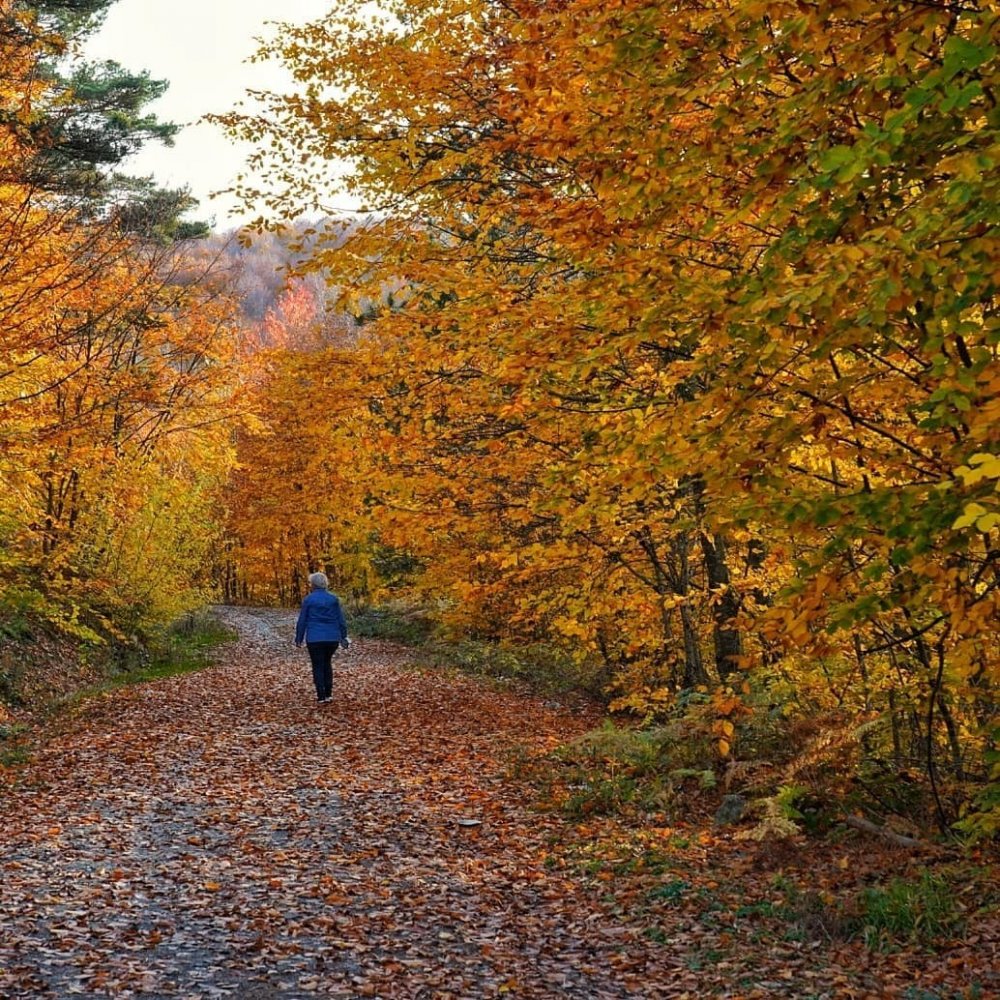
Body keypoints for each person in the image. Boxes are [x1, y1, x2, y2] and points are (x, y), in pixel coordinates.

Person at [295, 572, 350, 704]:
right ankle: (329, 693)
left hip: (314, 638)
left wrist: (299, 638)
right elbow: (340, 619)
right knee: (327, 663)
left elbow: (302, 620)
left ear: (313, 584)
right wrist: (344, 636)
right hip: (332, 638)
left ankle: (321, 695)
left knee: (318, 664)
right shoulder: (333, 599)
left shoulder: (308, 600)